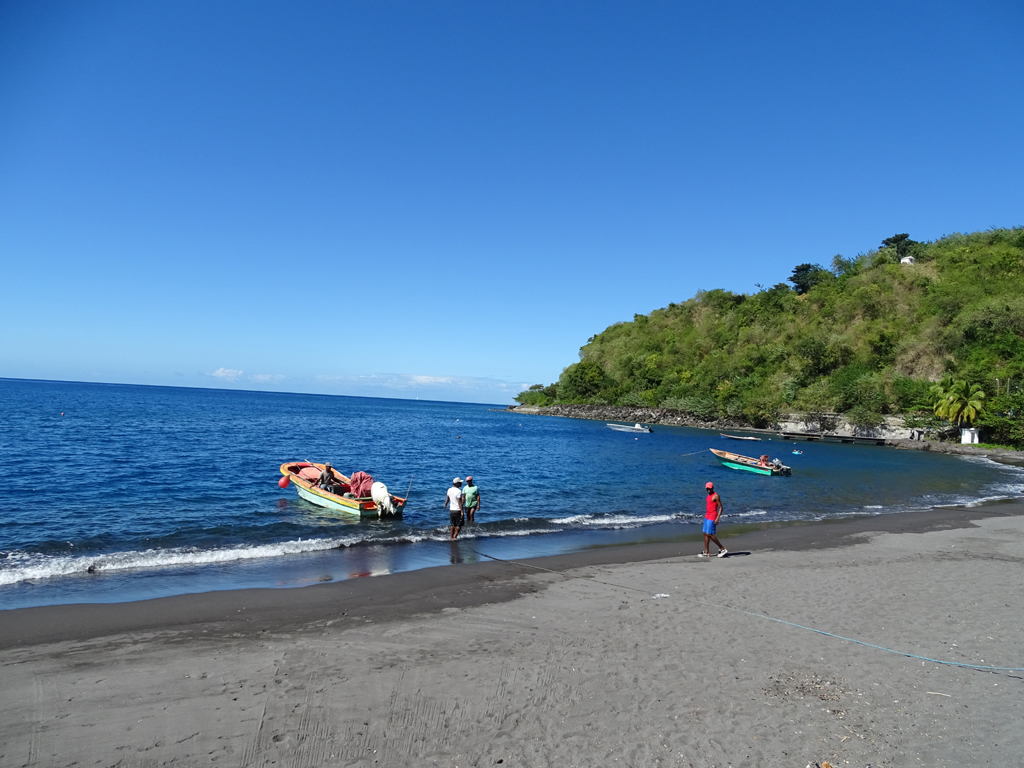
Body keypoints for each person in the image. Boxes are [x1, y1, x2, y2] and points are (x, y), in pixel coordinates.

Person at [699, 482, 727, 558]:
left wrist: (717, 518)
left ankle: (722, 548)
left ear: (712, 488)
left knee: (709, 534)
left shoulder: (716, 496)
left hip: (712, 516)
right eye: (707, 488)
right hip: (707, 516)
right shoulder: (708, 495)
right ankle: (707, 552)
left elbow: (721, 508)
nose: (708, 490)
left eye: (709, 488)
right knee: (705, 533)